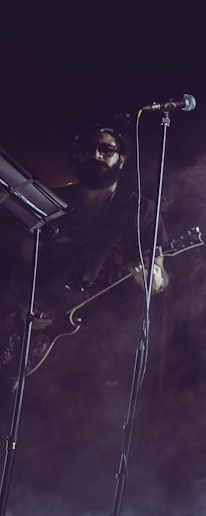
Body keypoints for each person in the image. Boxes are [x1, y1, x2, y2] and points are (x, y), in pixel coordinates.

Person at [1, 119, 169, 382]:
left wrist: (154, 281)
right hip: (42, 341)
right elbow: (23, 266)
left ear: (122, 159)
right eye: (87, 149)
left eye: (107, 150)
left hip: (104, 347)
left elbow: (158, 271)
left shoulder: (140, 211)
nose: (96, 155)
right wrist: (26, 307)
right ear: (76, 157)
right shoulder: (50, 204)